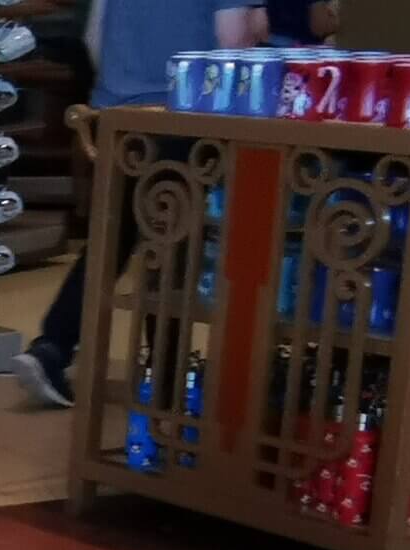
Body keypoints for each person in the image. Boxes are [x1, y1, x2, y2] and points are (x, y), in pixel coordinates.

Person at [14, 0, 260, 408]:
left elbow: (94, 36)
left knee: (114, 236)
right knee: (175, 250)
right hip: (181, 113)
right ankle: (166, 381)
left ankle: (53, 346)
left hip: (115, 116)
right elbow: (232, 38)